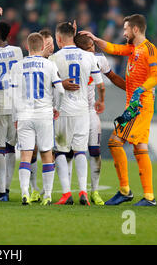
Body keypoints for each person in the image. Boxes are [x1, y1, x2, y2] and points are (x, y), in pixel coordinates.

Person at [80, 14, 157, 206]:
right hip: (136, 104)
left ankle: (125, 190)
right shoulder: (134, 49)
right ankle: (149, 197)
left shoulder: (149, 49)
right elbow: (115, 49)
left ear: (135, 29)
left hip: (139, 105)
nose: (123, 33)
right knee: (140, 148)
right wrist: (96, 39)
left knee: (115, 142)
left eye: (125, 29)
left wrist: (141, 89)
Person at [49, 22, 104, 206]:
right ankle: (83, 191)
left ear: (58, 39)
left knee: (61, 152)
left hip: (63, 110)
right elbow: (98, 82)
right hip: (83, 110)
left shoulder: (55, 58)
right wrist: (100, 100)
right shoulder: (88, 56)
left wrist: (61, 84)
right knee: (81, 151)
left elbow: (46, 84)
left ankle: (66, 194)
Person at [11, 32, 65, 206]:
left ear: (27, 47)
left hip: (24, 115)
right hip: (44, 115)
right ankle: (48, 195)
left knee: (26, 155)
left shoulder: (17, 66)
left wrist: (15, 117)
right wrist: (56, 107)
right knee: (47, 154)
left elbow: (13, 95)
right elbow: (61, 90)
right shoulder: (49, 65)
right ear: (42, 47)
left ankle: (25, 193)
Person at [74, 33, 126, 205]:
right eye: (90, 47)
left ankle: (94, 192)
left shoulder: (99, 59)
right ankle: (65, 192)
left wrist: (130, 89)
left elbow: (112, 77)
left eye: (93, 47)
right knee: (66, 152)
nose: (93, 50)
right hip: (73, 111)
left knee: (95, 151)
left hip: (90, 112)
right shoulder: (74, 59)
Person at [0, 21, 23, 202]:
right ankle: (7, 188)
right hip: (17, 105)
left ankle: (2, 193)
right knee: (11, 147)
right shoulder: (18, 52)